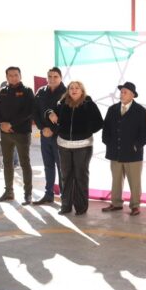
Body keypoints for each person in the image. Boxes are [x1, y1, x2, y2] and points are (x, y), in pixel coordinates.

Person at [47, 81, 103, 215]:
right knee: (66, 176)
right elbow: (50, 113)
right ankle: (65, 206)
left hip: (83, 146)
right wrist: (49, 113)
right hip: (64, 145)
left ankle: (81, 207)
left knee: (80, 176)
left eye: (77, 88)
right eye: (71, 88)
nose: (74, 90)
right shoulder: (62, 104)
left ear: (82, 90)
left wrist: (85, 131)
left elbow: (99, 123)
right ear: (68, 90)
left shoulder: (89, 104)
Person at [101, 82, 146, 215]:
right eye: (121, 92)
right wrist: (107, 142)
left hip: (133, 154)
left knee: (134, 181)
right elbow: (106, 128)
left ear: (132, 95)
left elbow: (145, 132)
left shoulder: (141, 111)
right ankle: (116, 203)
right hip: (114, 152)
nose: (122, 94)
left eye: (125, 92)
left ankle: (135, 206)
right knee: (116, 179)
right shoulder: (112, 109)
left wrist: (136, 146)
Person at [0, 66, 35, 205]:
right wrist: (1, 124)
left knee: (24, 163)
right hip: (5, 134)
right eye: (10, 75)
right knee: (7, 162)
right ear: (6, 77)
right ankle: (9, 192)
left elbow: (28, 111)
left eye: (16, 75)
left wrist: (11, 124)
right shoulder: (3, 91)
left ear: (20, 76)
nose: (13, 77)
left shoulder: (27, 91)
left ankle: (28, 194)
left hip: (21, 133)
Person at [33, 67, 67, 205]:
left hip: (59, 136)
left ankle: (65, 196)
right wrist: (43, 128)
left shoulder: (66, 93)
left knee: (61, 167)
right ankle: (48, 194)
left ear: (60, 77)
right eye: (50, 76)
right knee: (48, 166)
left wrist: (53, 129)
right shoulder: (41, 92)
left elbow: (66, 116)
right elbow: (35, 112)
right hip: (44, 135)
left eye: (55, 76)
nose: (52, 79)